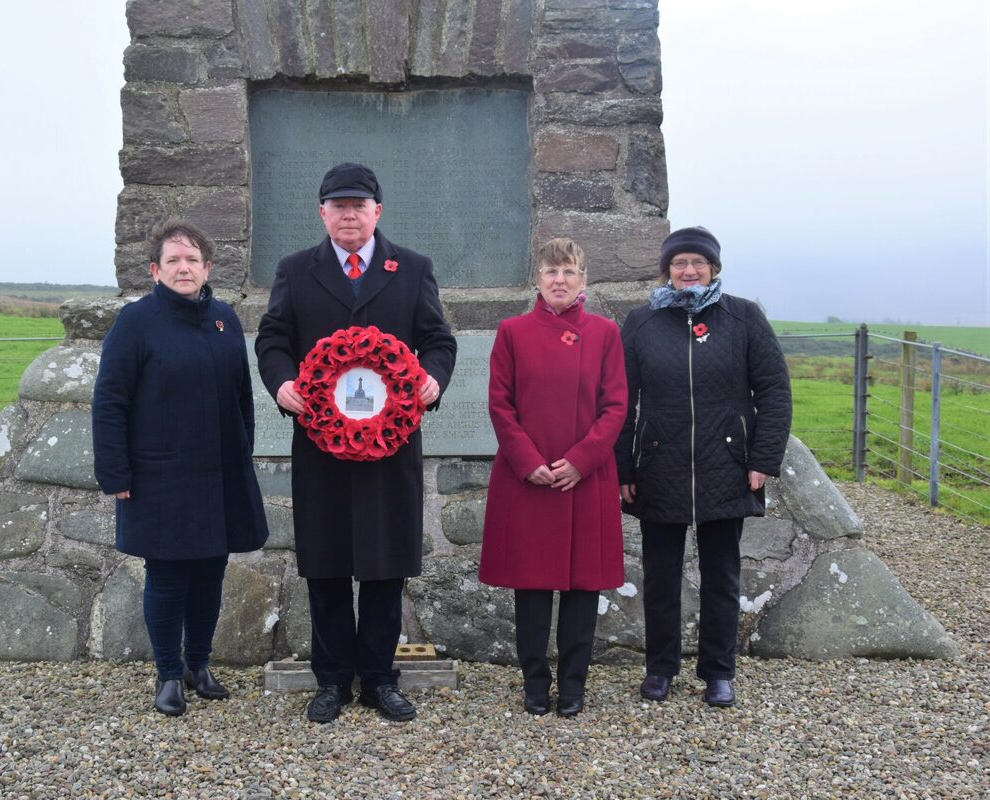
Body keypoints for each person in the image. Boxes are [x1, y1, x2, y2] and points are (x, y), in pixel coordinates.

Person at [255, 163, 457, 723]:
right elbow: (273, 339)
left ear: (377, 212)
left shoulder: (412, 268)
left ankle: (379, 680)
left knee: (384, 567)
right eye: (337, 205)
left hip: (390, 450)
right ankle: (332, 681)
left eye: (358, 204)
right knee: (326, 566)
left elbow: (438, 339)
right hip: (321, 450)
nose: (348, 213)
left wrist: (433, 378)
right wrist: (282, 383)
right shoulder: (296, 271)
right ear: (322, 213)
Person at [92, 219, 269, 717]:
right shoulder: (135, 322)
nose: (184, 267)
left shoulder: (224, 319)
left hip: (219, 475)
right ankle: (168, 674)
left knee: (211, 575)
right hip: (159, 477)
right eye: (173, 260)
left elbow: (241, 398)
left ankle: (199, 665)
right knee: (167, 578)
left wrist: (241, 454)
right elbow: (109, 401)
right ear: (155, 269)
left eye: (192, 259)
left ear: (208, 267)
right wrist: (116, 473)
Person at [615, 226, 791, 708]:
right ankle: (660, 669)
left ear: (714, 267)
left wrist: (762, 459)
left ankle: (718, 672)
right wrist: (623, 467)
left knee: (722, 577)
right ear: (667, 271)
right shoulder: (642, 322)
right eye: (679, 264)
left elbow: (774, 389)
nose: (689, 271)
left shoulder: (743, 317)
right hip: (658, 466)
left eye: (697, 263)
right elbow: (620, 400)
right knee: (661, 577)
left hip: (727, 465)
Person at [478, 238, 628, 718]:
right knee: (533, 587)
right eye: (550, 271)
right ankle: (535, 683)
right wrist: (528, 461)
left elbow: (616, 406)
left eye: (568, 272)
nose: (558, 280)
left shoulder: (605, 333)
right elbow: (500, 404)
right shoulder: (512, 332)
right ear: (537, 280)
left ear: (584, 281)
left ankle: (574, 684)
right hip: (530, 479)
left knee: (584, 587)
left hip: (586, 478)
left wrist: (582, 459)